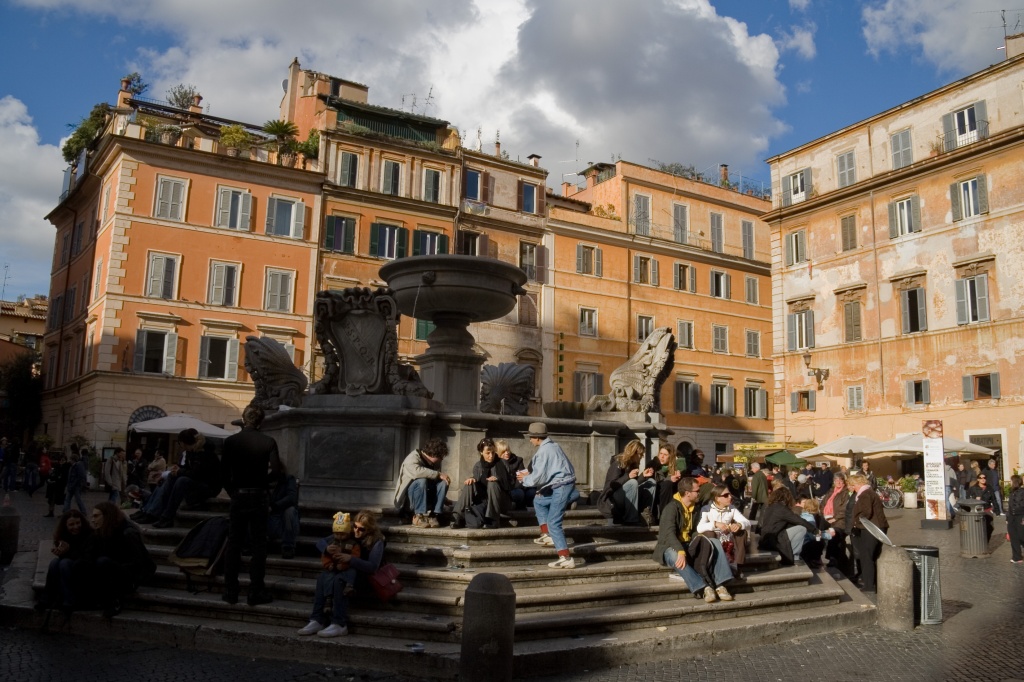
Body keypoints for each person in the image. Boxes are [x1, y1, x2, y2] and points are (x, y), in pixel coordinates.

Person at [221, 405, 279, 606]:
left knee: (234, 543)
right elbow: (277, 472)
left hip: (239, 495)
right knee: (258, 545)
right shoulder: (268, 442)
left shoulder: (230, 442)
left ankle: (230, 590)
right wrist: (263, 482)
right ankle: (255, 591)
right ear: (261, 421)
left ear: (243, 420)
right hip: (259, 496)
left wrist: (233, 491)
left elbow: (224, 473)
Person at [654, 477, 735, 603]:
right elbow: (668, 534)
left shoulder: (695, 508)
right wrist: (680, 551)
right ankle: (703, 588)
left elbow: (695, 530)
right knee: (676, 557)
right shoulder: (671, 508)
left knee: (714, 542)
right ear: (687, 493)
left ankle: (721, 584)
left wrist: (700, 537)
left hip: (688, 544)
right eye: (697, 491)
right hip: (669, 546)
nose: (699, 493)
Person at [519, 422, 580, 569]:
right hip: (563, 484)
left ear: (537, 437)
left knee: (554, 522)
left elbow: (539, 478)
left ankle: (565, 557)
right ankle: (548, 535)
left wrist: (524, 479)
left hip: (561, 486)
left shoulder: (543, 452)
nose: (530, 440)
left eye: (531, 437)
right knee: (539, 501)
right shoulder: (554, 446)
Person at [81, 501, 156, 617]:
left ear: (107, 516)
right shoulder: (100, 532)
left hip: (128, 577)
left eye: (96, 516)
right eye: (92, 516)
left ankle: (114, 601)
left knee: (103, 562)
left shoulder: (128, 533)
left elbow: (141, 563)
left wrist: (118, 568)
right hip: (110, 572)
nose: (92, 520)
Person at [297, 511, 360, 638]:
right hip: (334, 568)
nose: (339, 536)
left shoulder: (355, 542)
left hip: (350, 572)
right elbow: (320, 545)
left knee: (339, 581)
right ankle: (317, 619)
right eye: (337, 533)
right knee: (322, 578)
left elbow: (365, 561)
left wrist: (348, 560)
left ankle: (339, 622)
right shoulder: (332, 540)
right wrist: (327, 556)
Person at [149, 429, 222, 528]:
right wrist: (177, 470)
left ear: (183, 443)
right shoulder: (190, 451)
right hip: (198, 483)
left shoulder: (205, 452)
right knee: (171, 476)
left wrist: (179, 472)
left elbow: (197, 474)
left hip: (210, 487)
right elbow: (189, 469)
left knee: (181, 481)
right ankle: (160, 513)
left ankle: (167, 517)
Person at [36, 510, 93, 614]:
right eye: (71, 524)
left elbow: (86, 557)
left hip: (83, 568)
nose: (75, 527)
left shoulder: (89, 535)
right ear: (65, 526)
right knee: (54, 563)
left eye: (78, 523)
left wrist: (67, 551)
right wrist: (60, 552)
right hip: (71, 564)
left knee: (64, 563)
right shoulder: (63, 536)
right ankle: (46, 598)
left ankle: (69, 601)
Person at [452, 437, 514, 529]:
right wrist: (472, 479)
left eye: (493, 452)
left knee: (493, 483)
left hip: (501, 500)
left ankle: (493, 520)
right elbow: (477, 483)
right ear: (481, 452)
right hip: (484, 499)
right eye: (487, 453)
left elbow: (511, 483)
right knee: (469, 484)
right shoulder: (478, 465)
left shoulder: (503, 463)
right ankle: (457, 517)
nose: (491, 456)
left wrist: (498, 479)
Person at [394, 438, 451, 528]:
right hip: (410, 501)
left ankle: (435, 515)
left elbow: (434, 483)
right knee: (421, 481)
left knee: (443, 482)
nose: (441, 460)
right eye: (440, 457)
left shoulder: (432, 463)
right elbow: (417, 472)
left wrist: (443, 497)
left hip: (426, 497)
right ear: (433, 454)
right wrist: (438, 474)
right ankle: (418, 516)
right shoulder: (412, 458)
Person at [846, 472, 888, 593]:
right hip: (876, 527)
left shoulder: (865, 494)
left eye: (852, 485)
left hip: (871, 528)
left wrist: (856, 523)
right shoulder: (868, 492)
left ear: (858, 484)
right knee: (871, 555)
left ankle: (869, 585)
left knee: (867, 556)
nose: (852, 487)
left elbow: (865, 512)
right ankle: (872, 582)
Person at [598, 440, 656, 526]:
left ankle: (646, 514)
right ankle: (631, 519)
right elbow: (612, 485)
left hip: (626, 495)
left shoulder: (634, 464)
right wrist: (628, 476)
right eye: (640, 454)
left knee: (651, 482)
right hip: (612, 498)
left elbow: (633, 487)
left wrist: (643, 476)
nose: (642, 457)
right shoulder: (618, 463)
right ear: (634, 452)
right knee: (632, 482)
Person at [757, 487, 817, 566]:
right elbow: (799, 520)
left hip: (765, 538)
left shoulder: (770, 506)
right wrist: (815, 530)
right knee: (801, 529)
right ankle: (795, 556)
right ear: (787, 497)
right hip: (773, 540)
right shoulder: (782, 508)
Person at [697, 485, 751, 567]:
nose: (730, 497)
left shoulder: (732, 509)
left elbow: (747, 522)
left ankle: (738, 565)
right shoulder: (706, 509)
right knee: (709, 533)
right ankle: (713, 563)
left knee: (742, 532)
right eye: (726, 495)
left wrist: (739, 525)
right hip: (715, 540)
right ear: (717, 498)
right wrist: (715, 524)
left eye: (730, 494)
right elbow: (699, 528)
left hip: (728, 541)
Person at [348, 509, 388, 595]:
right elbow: (323, 542)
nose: (356, 530)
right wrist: (327, 549)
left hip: (366, 576)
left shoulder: (377, 541)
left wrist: (351, 560)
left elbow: (373, 567)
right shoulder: (350, 532)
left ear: (369, 530)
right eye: (355, 526)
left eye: (361, 529)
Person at [822, 472, 853, 576]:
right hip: (828, 520)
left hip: (840, 521)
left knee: (835, 536)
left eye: (840, 480)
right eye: (836, 480)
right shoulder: (831, 491)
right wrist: (825, 515)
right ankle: (838, 561)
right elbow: (823, 504)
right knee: (830, 538)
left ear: (844, 481)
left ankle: (833, 560)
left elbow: (845, 508)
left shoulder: (846, 492)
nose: (838, 482)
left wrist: (835, 517)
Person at [267, 463, 300, 559]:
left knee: (290, 511)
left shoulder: (288, 480)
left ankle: (288, 548)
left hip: (284, 520)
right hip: (270, 519)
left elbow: (291, 498)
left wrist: (274, 506)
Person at [496, 439, 534, 510]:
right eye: (503, 452)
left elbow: (521, 477)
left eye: (508, 450)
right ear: (498, 453)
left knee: (526, 492)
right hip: (504, 489)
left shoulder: (518, 460)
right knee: (518, 494)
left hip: (517, 487)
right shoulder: (496, 464)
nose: (507, 453)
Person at [652, 443, 683, 520]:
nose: (662, 457)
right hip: (656, 497)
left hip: (670, 499)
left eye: (665, 455)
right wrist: (669, 479)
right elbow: (655, 484)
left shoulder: (676, 468)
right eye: (661, 453)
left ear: (670, 457)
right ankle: (664, 517)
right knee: (667, 484)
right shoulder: (654, 465)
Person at [45, 453, 69, 517]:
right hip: (53, 486)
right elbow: (53, 475)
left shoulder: (66, 468)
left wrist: (56, 479)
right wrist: (50, 479)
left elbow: (63, 478)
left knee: (62, 500)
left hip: (60, 486)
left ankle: (65, 512)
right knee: (51, 499)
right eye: (60, 460)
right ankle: (51, 511)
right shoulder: (57, 467)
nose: (61, 461)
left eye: (63, 460)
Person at [1007, 475, 1023, 565]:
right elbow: (1009, 506)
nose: (1010, 483)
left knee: (1021, 535)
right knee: (1013, 537)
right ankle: (1017, 557)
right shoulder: (1011, 492)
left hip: (1020, 516)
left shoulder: (1022, 492)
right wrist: (1007, 517)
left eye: (1011, 481)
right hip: (1012, 517)